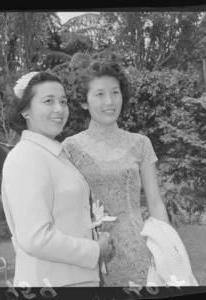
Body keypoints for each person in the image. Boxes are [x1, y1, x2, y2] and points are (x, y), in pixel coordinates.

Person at [62, 60, 170, 287]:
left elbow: (156, 203)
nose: (109, 101)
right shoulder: (69, 148)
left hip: (138, 250)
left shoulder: (141, 143)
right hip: (89, 253)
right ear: (84, 102)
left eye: (115, 92)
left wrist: (169, 249)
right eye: (99, 94)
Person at [1, 71, 113, 287]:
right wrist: (95, 249)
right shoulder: (26, 156)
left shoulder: (54, 155)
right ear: (25, 110)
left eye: (63, 101)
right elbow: (36, 238)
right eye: (48, 101)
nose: (59, 109)